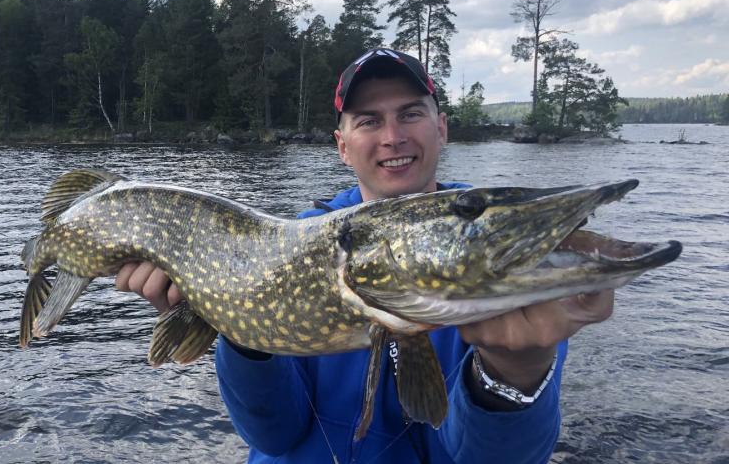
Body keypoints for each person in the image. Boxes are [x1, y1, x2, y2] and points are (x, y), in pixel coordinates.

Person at [116, 47, 615, 463]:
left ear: (441, 127)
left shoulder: (488, 259)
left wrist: (513, 375)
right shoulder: (296, 248)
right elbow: (274, 434)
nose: (392, 137)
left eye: (411, 113)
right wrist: (236, 325)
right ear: (342, 145)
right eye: (369, 120)